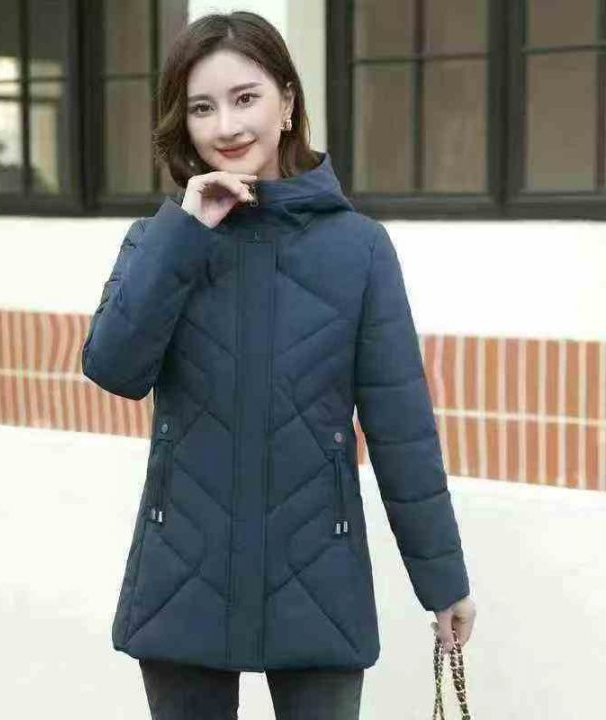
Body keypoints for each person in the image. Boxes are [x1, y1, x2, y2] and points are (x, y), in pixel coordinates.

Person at [81, 10, 476, 720]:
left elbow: (402, 428)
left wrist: (442, 580)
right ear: (182, 123)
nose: (227, 126)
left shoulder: (359, 249)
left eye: (246, 98)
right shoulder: (159, 239)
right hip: (183, 578)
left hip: (318, 580)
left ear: (287, 101)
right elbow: (114, 368)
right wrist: (184, 231)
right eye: (202, 107)